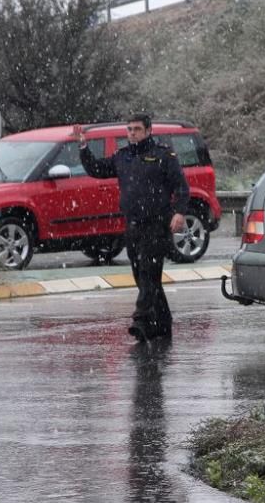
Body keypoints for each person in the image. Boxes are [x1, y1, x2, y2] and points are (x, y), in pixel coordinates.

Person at [75, 113, 190, 341]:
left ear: (148, 131)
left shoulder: (162, 155)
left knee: (149, 271)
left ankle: (141, 321)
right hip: (133, 225)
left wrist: (179, 212)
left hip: (157, 225)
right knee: (143, 276)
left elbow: (182, 187)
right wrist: (83, 147)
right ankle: (163, 323)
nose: (132, 133)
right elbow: (97, 169)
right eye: (129, 129)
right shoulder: (123, 156)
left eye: (136, 129)